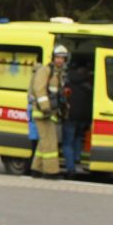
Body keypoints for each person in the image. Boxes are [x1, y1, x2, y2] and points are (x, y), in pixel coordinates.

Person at [27, 44, 69, 178]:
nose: (60, 60)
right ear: (53, 57)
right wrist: (45, 107)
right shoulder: (45, 71)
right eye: (57, 57)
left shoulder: (58, 73)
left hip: (51, 112)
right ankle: (51, 172)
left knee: (44, 141)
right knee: (49, 142)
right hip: (43, 112)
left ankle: (36, 169)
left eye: (62, 58)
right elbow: (39, 90)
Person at [61, 53, 92, 177]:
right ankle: (77, 160)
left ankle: (70, 169)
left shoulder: (66, 81)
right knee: (78, 138)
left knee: (68, 142)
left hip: (70, 115)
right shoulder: (88, 84)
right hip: (83, 117)